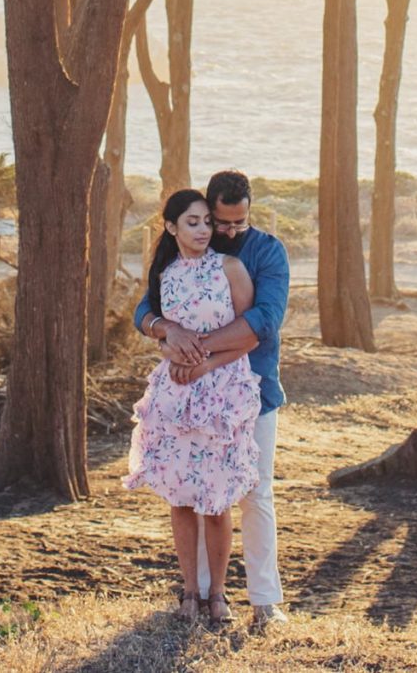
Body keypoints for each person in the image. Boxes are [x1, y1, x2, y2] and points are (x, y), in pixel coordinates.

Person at [133, 168, 290, 628]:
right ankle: (200, 594)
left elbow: (263, 321)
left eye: (238, 223)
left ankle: (265, 601)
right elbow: (148, 308)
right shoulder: (189, 254)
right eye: (221, 222)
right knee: (195, 490)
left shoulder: (264, 253)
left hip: (251, 389)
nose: (228, 232)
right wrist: (166, 332)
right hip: (187, 393)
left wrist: (199, 353)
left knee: (254, 492)